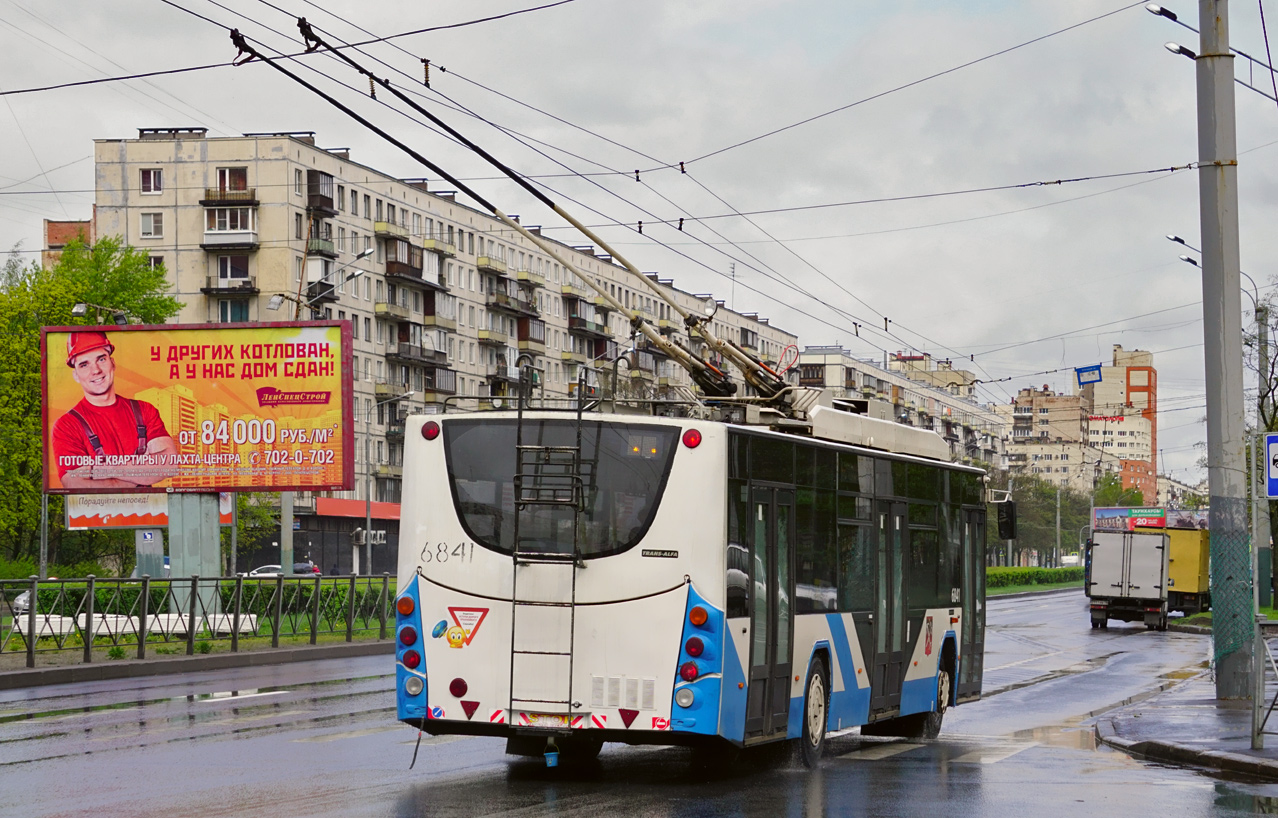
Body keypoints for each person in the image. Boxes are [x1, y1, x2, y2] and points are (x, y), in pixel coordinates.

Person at [51, 330, 179, 489]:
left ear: (113, 363)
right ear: (76, 375)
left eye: (101, 359)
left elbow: (170, 464)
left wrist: (103, 469)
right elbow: (74, 483)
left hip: (151, 511)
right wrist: (141, 474)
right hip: (98, 512)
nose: (96, 370)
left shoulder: (144, 410)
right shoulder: (66, 425)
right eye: (84, 364)